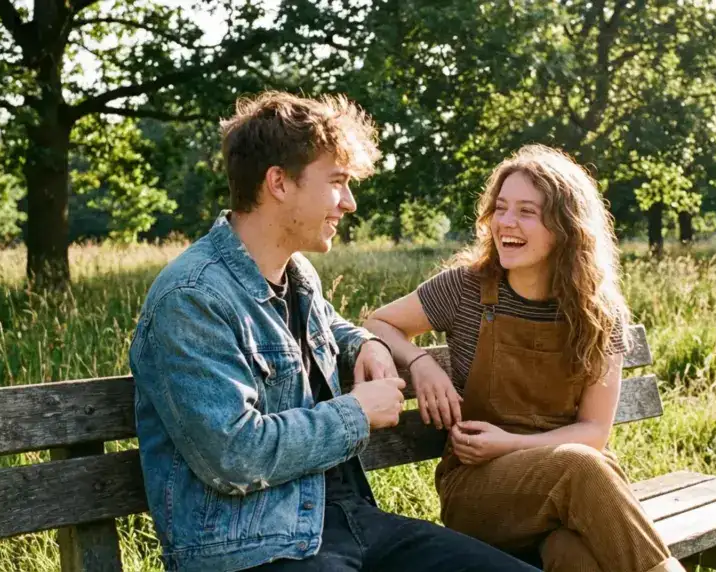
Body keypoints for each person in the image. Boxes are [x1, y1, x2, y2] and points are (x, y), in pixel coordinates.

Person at [129, 91, 539, 572]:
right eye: (338, 182)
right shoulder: (192, 298)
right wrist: (358, 412)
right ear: (278, 182)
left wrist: (365, 343)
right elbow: (235, 455)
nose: (349, 203)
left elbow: (330, 328)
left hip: (347, 521)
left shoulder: (295, 273)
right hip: (258, 550)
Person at [364, 145, 685, 572]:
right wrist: (420, 362)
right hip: (477, 490)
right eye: (500, 208)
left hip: (562, 494)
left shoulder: (597, 312)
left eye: (527, 212)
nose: (506, 223)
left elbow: (593, 431)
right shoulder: (467, 289)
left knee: (577, 556)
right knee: (581, 467)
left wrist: (512, 443)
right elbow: (377, 322)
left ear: (566, 227)